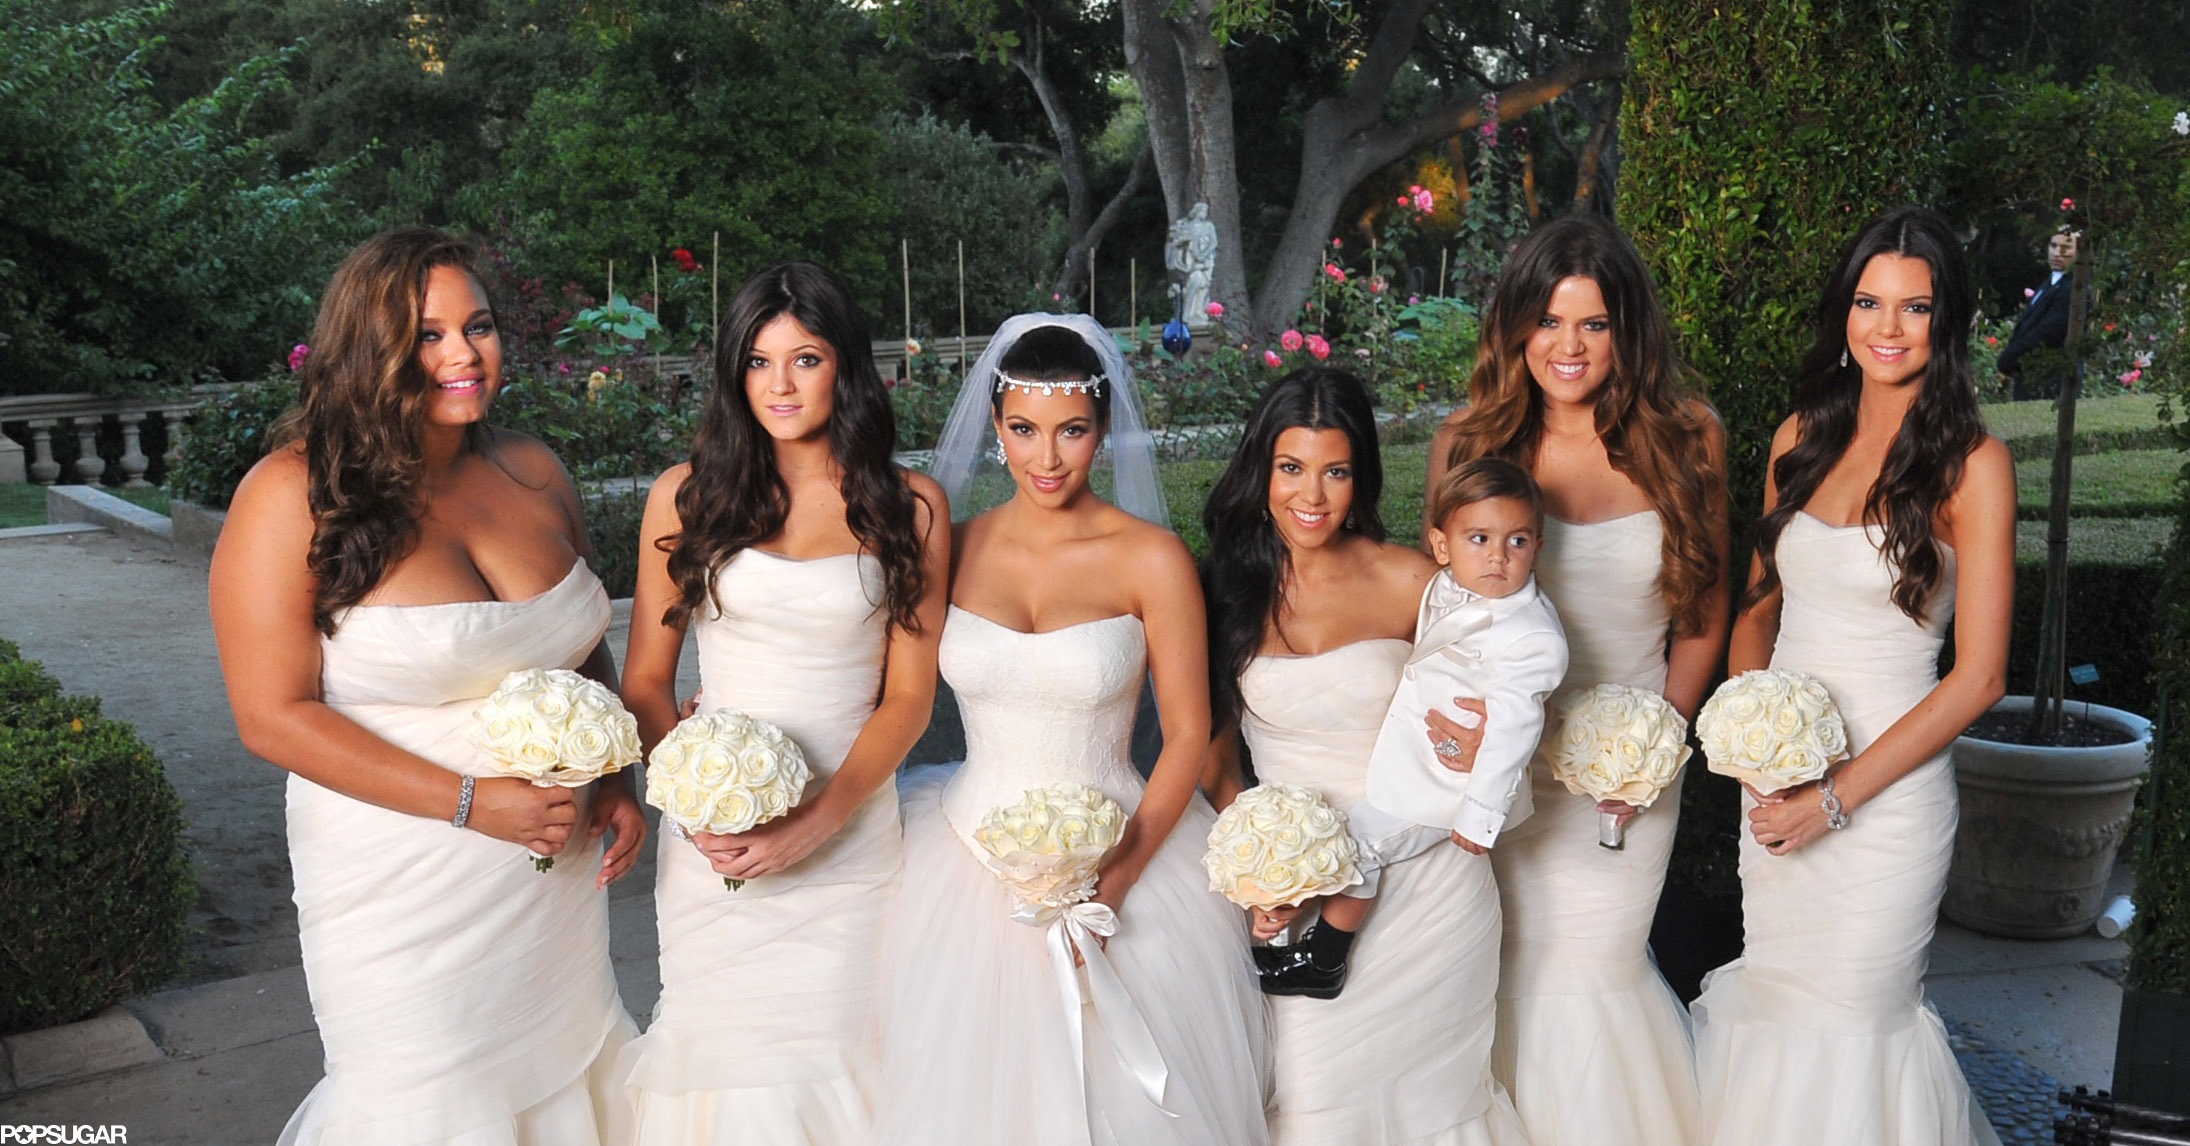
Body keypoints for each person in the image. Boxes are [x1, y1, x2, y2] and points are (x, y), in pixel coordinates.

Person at [210, 227, 644, 1145]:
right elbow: (270, 716)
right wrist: (472, 804)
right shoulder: (290, 496)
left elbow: (577, 646)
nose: (461, 355)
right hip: (400, 876)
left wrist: (615, 776)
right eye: (427, 335)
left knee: (564, 1079)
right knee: (423, 1100)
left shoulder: (532, 472)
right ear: (369, 350)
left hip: (546, 880)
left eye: (477, 326)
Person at [873, 314, 1269, 1146]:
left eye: (1072, 431)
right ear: (995, 427)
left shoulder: (1150, 558)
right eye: (1023, 430)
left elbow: (1190, 734)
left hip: (1126, 855)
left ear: (1104, 429)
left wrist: (1116, 882)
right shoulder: (955, 547)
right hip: (964, 861)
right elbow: (881, 678)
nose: (1046, 458)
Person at [1692, 205, 2013, 1146]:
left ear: (1945, 323)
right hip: (1777, 789)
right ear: (1844, 311)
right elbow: (1756, 613)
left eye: (1915, 308)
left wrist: (1830, 800)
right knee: (1778, 1019)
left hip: (1886, 804)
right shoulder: (1800, 437)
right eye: (1870, 302)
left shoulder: (1975, 466)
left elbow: (1981, 676)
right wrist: (1756, 752)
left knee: (1854, 1033)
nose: (1887, 327)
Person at [617, 262, 950, 1145]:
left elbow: (909, 698)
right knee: (721, 1069)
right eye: (759, 362)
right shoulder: (686, 496)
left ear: (843, 366)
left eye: (804, 359)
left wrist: (819, 821)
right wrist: (690, 798)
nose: (780, 385)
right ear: (734, 372)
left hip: (851, 842)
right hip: (713, 842)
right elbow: (647, 681)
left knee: (846, 1064)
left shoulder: (908, 506)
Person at [1426, 212, 1728, 1146]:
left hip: (1625, 782)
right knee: (1498, 976)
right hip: (1503, 780)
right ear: (1518, 327)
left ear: (1626, 332)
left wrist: (1655, 750)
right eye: (1550, 321)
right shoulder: (1470, 442)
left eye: (1593, 324)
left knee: (1592, 978)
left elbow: (1704, 617)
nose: (1569, 346)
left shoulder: (1690, 438)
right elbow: (1446, 623)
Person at [1201, 367, 1526, 1144]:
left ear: (1363, 477)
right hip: (1297, 892)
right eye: (1291, 468)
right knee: (1314, 1101)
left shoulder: (1414, 582)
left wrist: (1472, 744)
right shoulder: (1221, 589)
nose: (1312, 496)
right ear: (1262, 470)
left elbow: (1498, 709)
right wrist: (1261, 877)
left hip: (1431, 889)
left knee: (1435, 1108)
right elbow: (1214, 763)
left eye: (1336, 471)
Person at [1259, 457, 1567, 999]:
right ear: (1442, 547)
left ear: (1538, 547)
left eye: (1517, 542)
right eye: (1480, 539)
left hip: (1451, 787)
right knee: (1344, 838)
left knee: (1359, 845)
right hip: (1412, 759)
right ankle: (1286, 933)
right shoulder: (1445, 586)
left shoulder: (1532, 638)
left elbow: (1515, 732)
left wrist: (1479, 816)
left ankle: (1324, 962)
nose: (1498, 556)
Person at [1997, 228, 2079, 400]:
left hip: (2050, 378)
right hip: (2031, 375)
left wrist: (2010, 355)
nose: (2057, 253)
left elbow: (2048, 331)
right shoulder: (2051, 282)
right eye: (2054, 245)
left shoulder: (2073, 288)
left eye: (2066, 247)